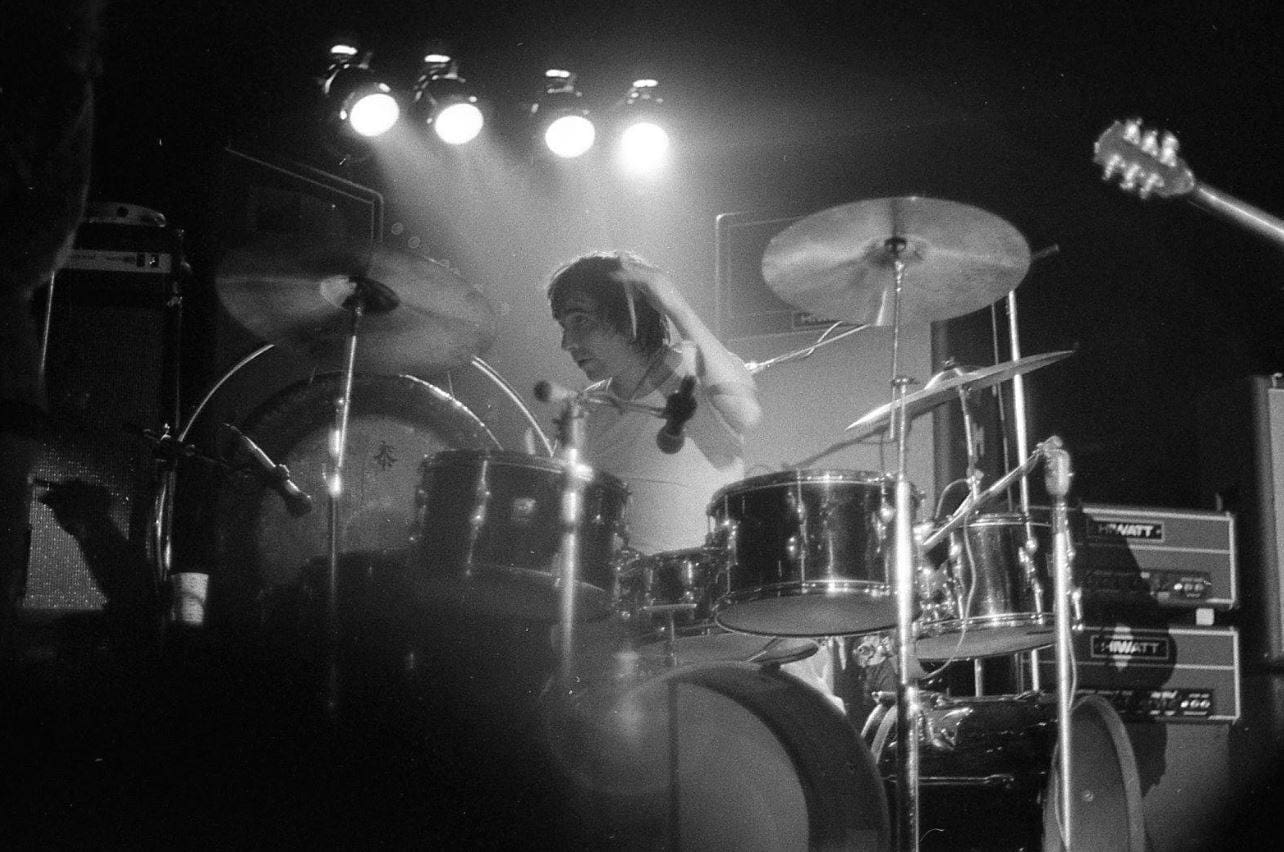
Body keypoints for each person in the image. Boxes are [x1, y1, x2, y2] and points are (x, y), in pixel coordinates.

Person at [547, 251, 761, 556]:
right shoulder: (585, 409)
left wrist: (673, 303)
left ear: (630, 317)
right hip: (618, 583)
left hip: (707, 580)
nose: (567, 343)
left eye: (581, 320)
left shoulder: (699, 369)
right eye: (564, 326)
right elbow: (558, 512)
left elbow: (746, 415)